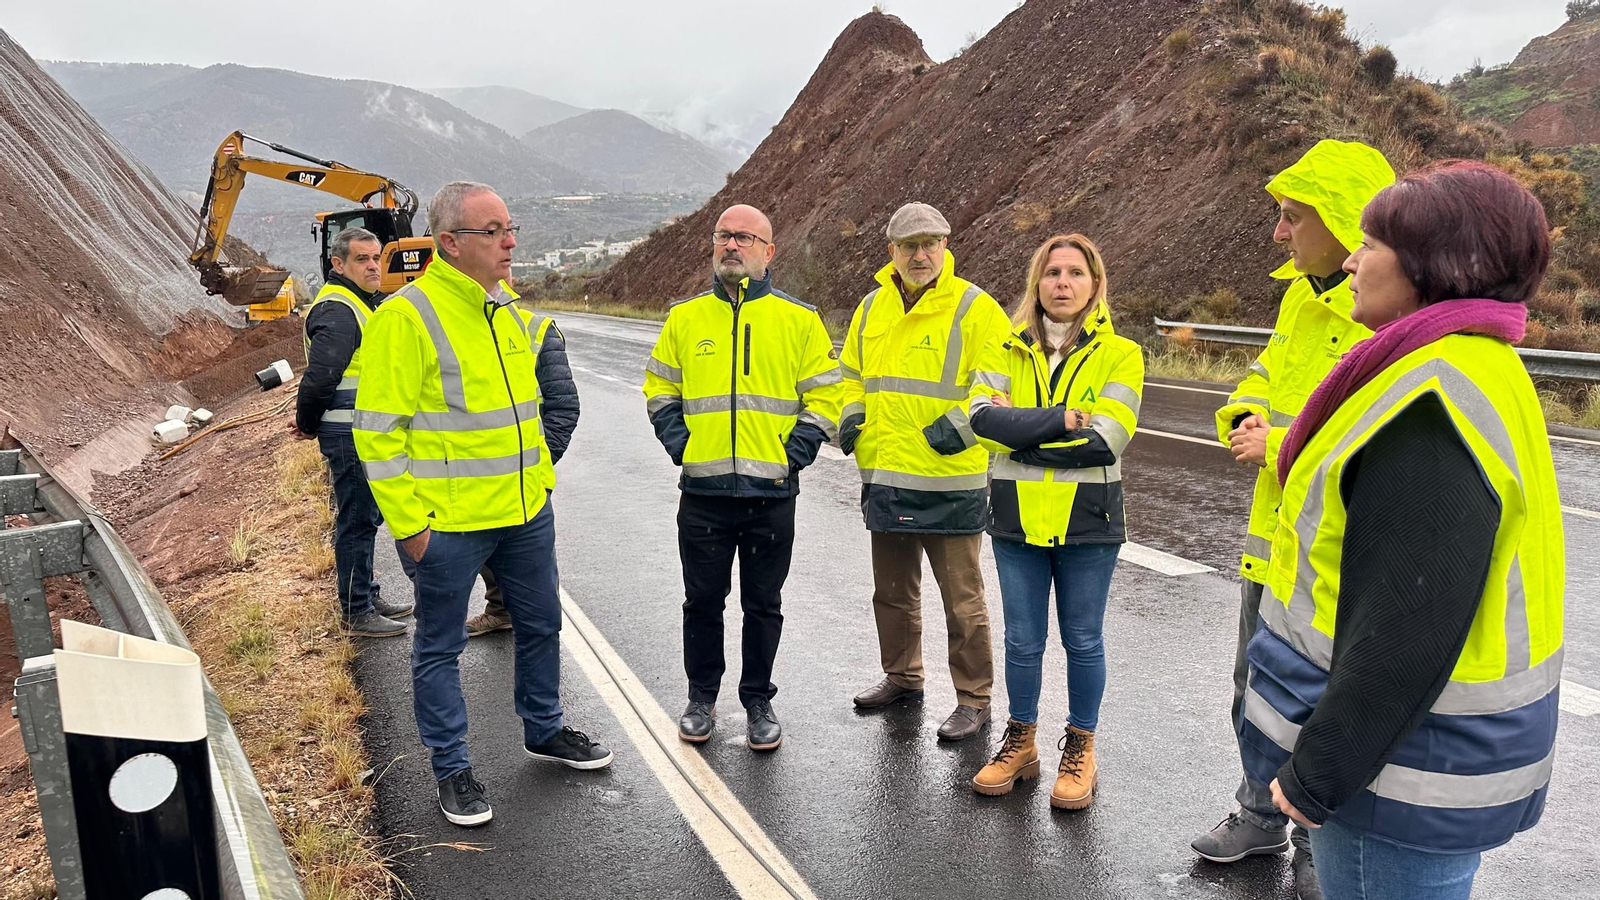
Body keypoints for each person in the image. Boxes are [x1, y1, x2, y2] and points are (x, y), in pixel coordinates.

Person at [1244, 160, 1564, 900]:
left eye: (1372, 243)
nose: (1353, 260)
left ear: (1433, 264)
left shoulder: (1429, 402)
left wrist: (1319, 774)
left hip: (1400, 777)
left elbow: (1409, 624)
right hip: (1428, 760)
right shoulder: (1470, 365)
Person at [353, 181, 611, 828]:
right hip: (451, 527)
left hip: (526, 516)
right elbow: (377, 433)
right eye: (493, 231)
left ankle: (544, 728)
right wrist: (412, 530)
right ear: (450, 243)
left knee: (542, 625)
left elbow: (528, 415)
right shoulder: (407, 317)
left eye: (509, 226)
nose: (511, 242)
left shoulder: (508, 312)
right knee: (439, 648)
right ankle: (452, 769)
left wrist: (540, 484)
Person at [1193, 139, 1395, 899]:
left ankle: (1320, 843)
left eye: (1291, 217)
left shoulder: (1385, 312)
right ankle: (1258, 815)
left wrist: (1279, 443)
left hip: (1338, 559)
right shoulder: (1296, 299)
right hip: (1270, 549)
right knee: (1257, 692)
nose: (1278, 233)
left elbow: (1373, 432)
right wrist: (1242, 410)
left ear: (1342, 221)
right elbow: (1265, 375)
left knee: (1325, 705)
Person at [643, 204, 843, 751]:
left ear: (768, 251)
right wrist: (682, 445)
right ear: (714, 245)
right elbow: (660, 388)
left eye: (746, 238)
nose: (733, 245)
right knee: (701, 603)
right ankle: (701, 697)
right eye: (724, 236)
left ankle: (758, 699)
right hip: (704, 495)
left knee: (764, 606)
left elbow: (827, 395)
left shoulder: (799, 320)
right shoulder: (685, 318)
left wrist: (792, 454)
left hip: (770, 495)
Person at [965, 234, 1143, 810]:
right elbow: (983, 419)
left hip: (1088, 521)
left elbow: (1105, 442)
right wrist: (1059, 421)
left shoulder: (1122, 354)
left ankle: (1080, 746)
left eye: (1074, 273)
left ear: (1094, 284)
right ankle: (1020, 742)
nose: (1062, 283)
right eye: (1051, 273)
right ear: (1035, 283)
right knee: (1022, 640)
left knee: (1083, 638)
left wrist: (1025, 436)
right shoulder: (1004, 348)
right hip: (1017, 517)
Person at [838, 201, 1013, 741]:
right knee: (891, 592)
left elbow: (996, 390)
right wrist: (853, 422)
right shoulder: (871, 308)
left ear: (946, 246)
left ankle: (974, 698)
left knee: (962, 601)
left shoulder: (976, 309)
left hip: (949, 480)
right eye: (910, 245)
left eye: (930, 243)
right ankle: (903, 677)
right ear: (891, 251)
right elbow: (849, 375)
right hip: (886, 476)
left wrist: (947, 436)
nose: (921, 254)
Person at [292, 226, 414, 637]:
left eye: (376, 258)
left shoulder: (359, 305)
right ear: (338, 265)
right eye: (362, 259)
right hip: (349, 435)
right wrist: (306, 424)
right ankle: (354, 610)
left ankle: (366, 592)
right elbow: (322, 377)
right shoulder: (340, 310)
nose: (373, 266)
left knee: (366, 519)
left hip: (362, 433)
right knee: (357, 521)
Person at [466, 299, 580, 638]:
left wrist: (538, 462)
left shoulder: (536, 331)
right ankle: (501, 609)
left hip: (525, 475)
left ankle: (536, 627)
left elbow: (563, 406)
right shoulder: (455, 330)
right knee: (488, 553)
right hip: (476, 473)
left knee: (534, 571)